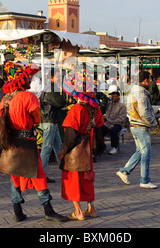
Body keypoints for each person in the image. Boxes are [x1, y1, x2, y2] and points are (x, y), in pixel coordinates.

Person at [0, 61, 67, 222]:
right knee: (39, 176)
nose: (30, 80)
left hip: (11, 142)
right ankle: (48, 210)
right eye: (28, 77)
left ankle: (17, 212)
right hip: (27, 141)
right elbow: (37, 118)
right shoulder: (29, 97)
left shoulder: (7, 97)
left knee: (14, 176)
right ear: (22, 80)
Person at [58, 69, 105, 220]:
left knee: (72, 180)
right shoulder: (94, 109)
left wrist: (63, 152)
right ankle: (91, 208)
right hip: (87, 148)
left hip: (75, 150)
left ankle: (78, 211)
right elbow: (99, 124)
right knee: (87, 178)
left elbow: (70, 135)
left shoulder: (76, 109)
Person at [116, 70, 158, 189]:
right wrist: (152, 122)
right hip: (141, 125)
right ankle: (144, 180)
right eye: (149, 79)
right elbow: (144, 111)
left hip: (134, 124)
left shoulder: (133, 91)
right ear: (145, 80)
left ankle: (124, 171)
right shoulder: (141, 93)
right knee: (146, 154)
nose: (150, 82)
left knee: (140, 151)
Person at [40, 71, 66, 183]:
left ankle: (65, 171)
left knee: (58, 147)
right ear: (51, 77)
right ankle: (42, 175)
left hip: (52, 120)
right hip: (49, 120)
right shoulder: (50, 88)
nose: (60, 78)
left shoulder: (51, 87)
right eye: (58, 76)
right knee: (46, 148)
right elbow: (60, 102)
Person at [100, 85, 127, 155]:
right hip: (108, 123)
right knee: (100, 129)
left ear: (118, 97)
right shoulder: (109, 104)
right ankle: (100, 146)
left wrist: (112, 124)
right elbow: (103, 107)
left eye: (114, 96)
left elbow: (121, 118)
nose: (113, 97)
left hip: (118, 123)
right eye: (112, 96)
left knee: (113, 130)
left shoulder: (122, 106)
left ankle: (114, 147)